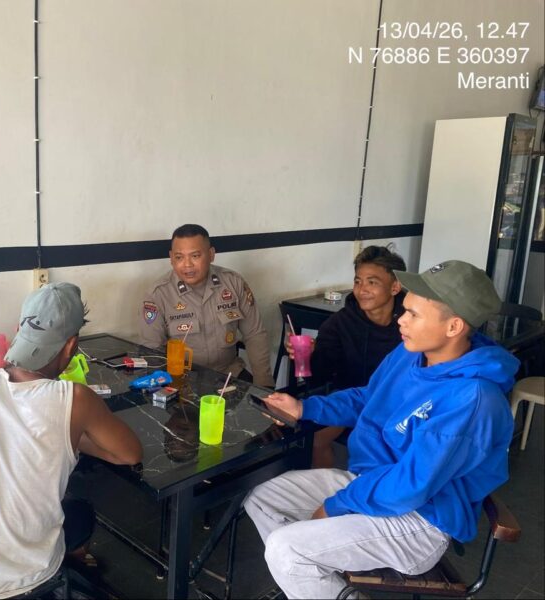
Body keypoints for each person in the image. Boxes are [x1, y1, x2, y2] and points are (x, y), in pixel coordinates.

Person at [244, 260, 517, 599]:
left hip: (420, 522)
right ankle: (322, 587)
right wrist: (305, 408)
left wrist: (335, 506)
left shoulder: (472, 399)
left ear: (453, 327)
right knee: (263, 498)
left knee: (286, 548)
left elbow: (410, 486)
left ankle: (306, 573)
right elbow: (369, 398)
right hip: (373, 481)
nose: (401, 320)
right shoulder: (410, 354)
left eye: (414, 315)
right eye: (405, 311)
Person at [0, 282, 143, 599]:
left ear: (18, 330)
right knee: (81, 510)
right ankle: (64, 575)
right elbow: (130, 453)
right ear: (71, 347)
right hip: (19, 577)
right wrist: (75, 439)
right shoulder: (74, 399)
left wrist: (65, 438)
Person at [286, 245, 407, 468]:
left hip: (398, 402)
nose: (362, 290)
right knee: (317, 441)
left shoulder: (411, 323)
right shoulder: (340, 323)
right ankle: (329, 495)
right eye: (358, 281)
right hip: (352, 399)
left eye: (373, 282)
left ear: (395, 287)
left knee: (392, 447)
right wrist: (310, 356)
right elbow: (320, 378)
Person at [140, 224, 274, 386]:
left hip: (229, 374)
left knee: (254, 409)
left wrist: (264, 385)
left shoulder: (233, 282)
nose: (187, 264)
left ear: (211, 255)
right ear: (171, 258)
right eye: (179, 257)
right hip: (182, 380)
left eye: (195, 256)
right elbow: (152, 350)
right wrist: (164, 388)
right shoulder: (158, 294)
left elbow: (255, 334)